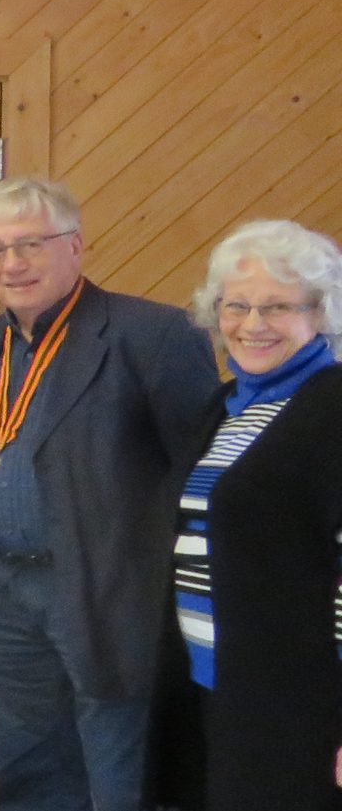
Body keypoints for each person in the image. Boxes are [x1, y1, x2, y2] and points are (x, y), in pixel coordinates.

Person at [0, 177, 216, 811]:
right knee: (26, 773)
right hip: (5, 596)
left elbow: (199, 474)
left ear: (76, 246)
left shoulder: (152, 335)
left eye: (30, 244)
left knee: (116, 775)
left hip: (104, 592)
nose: (13, 264)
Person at [166, 220, 342, 810]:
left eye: (276, 307)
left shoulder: (331, 406)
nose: (252, 325)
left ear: (320, 313)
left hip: (298, 700)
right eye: (236, 306)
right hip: (220, 685)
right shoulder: (227, 404)